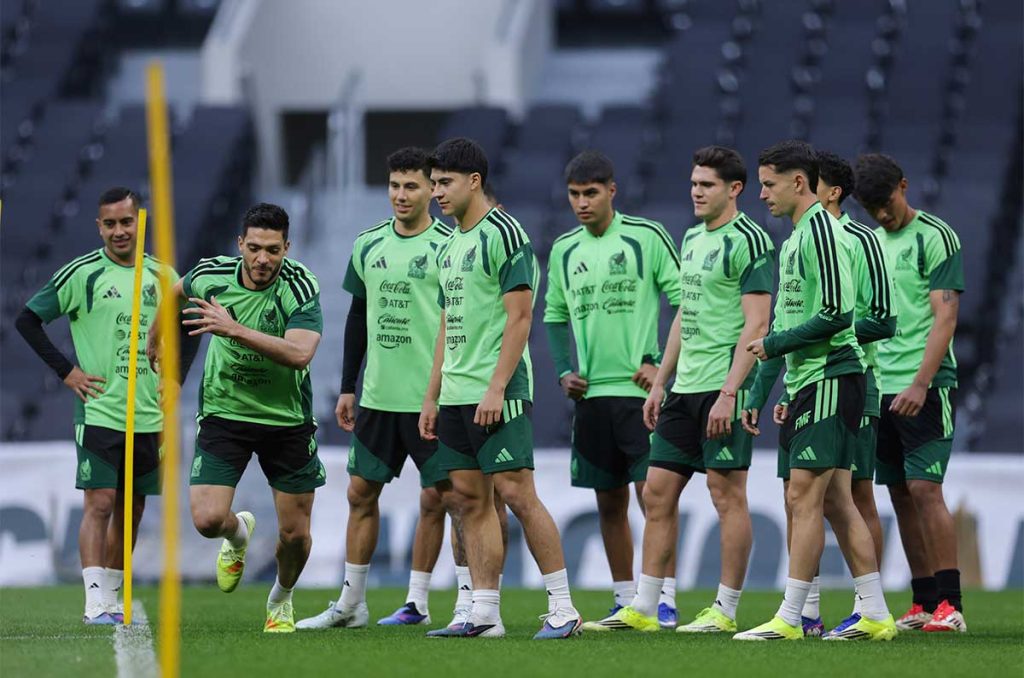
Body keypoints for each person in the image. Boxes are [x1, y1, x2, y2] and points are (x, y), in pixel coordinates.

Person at [585, 147, 774, 633]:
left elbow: (758, 324)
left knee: (725, 494)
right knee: (658, 491)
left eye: (706, 184)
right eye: (693, 182)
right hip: (682, 391)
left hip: (722, 387)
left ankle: (725, 610)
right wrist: (660, 384)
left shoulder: (750, 240)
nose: (695, 191)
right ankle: (646, 606)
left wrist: (732, 392)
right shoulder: (690, 238)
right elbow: (683, 320)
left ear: (734, 189)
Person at [419, 137, 581, 639]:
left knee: (517, 493)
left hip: (499, 392)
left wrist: (496, 387)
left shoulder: (506, 234)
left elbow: (521, 318)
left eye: (444, 183)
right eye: (434, 183)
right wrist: (433, 393)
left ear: (474, 182)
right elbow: (448, 321)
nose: (435, 193)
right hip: (456, 394)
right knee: (469, 501)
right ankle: (485, 612)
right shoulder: (448, 243)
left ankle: (563, 607)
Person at [737, 140, 895, 641]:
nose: (761, 194)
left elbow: (834, 315)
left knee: (805, 494)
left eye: (768, 184)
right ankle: (873, 611)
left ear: (799, 183)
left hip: (833, 373)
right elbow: (795, 316)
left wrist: (774, 343)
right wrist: (773, 389)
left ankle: (792, 616)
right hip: (811, 379)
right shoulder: (797, 239)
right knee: (834, 501)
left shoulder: (823, 232)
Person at [295, 148, 454, 629]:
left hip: (434, 398)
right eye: (394, 186)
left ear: (432, 189)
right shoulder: (368, 244)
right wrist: (348, 386)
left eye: (411, 186)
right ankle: (352, 604)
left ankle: (429, 602)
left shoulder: (450, 244)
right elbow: (359, 317)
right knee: (360, 494)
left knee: (444, 497)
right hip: (379, 398)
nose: (401, 195)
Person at [15, 187, 178, 625]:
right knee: (101, 503)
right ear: (99, 226)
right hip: (101, 410)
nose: (119, 231)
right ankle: (94, 606)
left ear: (139, 223)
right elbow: (27, 320)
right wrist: (67, 372)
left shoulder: (165, 277)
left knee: (134, 509)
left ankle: (113, 598)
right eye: (110, 223)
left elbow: (184, 332)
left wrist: (174, 380)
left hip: (149, 414)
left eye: (127, 221)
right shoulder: (81, 274)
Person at [172, 203, 325, 633]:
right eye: (254, 248)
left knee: (295, 535)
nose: (262, 259)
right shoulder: (211, 274)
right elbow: (174, 291)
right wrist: (154, 337)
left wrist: (233, 328)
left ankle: (281, 598)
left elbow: (300, 354)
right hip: (226, 412)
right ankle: (238, 535)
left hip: (286, 420)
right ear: (240, 244)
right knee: (206, 521)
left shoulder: (300, 286)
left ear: (286, 248)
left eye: (273, 250)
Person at [545, 150, 682, 628]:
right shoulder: (564, 249)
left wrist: (658, 366)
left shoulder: (645, 237)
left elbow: (685, 300)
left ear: (611, 191)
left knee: (654, 497)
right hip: (590, 397)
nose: (582, 203)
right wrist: (564, 370)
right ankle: (625, 596)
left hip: (638, 393)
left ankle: (662, 597)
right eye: (575, 195)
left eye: (591, 193)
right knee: (609, 501)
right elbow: (553, 317)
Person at [854, 153, 966, 633]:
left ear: (904, 185)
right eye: (871, 207)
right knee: (899, 493)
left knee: (925, 489)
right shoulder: (869, 245)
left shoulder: (936, 237)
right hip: (881, 388)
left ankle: (951, 604)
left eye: (886, 202)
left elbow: (946, 316)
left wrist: (921, 382)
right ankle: (923, 603)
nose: (882, 214)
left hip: (926, 385)